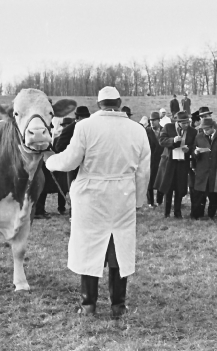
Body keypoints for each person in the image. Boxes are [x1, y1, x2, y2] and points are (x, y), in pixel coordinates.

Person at [45, 86, 150, 317]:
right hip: (123, 196)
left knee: (89, 248)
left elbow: (70, 161)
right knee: (119, 250)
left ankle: (88, 305)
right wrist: (138, 201)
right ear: (120, 102)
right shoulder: (137, 129)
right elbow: (143, 171)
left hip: (90, 197)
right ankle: (118, 306)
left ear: (99, 104)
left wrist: (50, 161)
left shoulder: (84, 127)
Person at [154, 111, 197, 218]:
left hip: (182, 163)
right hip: (169, 163)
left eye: (188, 123)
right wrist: (172, 140)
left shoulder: (192, 131)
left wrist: (189, 149)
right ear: (178, 122)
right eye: (184, 123)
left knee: (180, 188)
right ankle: (166, 212)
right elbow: (161, 141)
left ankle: (177, 213)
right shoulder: (168, 127)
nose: (186, 125)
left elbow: (194, 146)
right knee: (168, 187)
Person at [191, 117, 217, 219]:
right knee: (199, 195)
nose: (205, 131)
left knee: (213, 196)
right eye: (203, 129)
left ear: (212, 127)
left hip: (215, 171)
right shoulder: (199, 137)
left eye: (207, 129)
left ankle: (211, 215)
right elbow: (193, 152)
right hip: (202, 171)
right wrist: (195, 153)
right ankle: (197, 215)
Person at [54, 106, 91, 189]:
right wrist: (72, 151)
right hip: (74, 167)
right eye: (84, 118)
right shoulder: (69, 129)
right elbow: (59, 147)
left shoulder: (90, 128)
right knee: (74, 191)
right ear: (79, 118)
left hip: (89, 166)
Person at [146, 112, 165, 208]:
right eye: (151, 120)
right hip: (150, 159)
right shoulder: (146, 131)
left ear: (159, 120)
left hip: (161, 159)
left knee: (160, 179)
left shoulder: (164, 130)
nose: (152, 122)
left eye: (154, 120)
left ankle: (159, 201)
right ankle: (150, 202)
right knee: (149, 180)